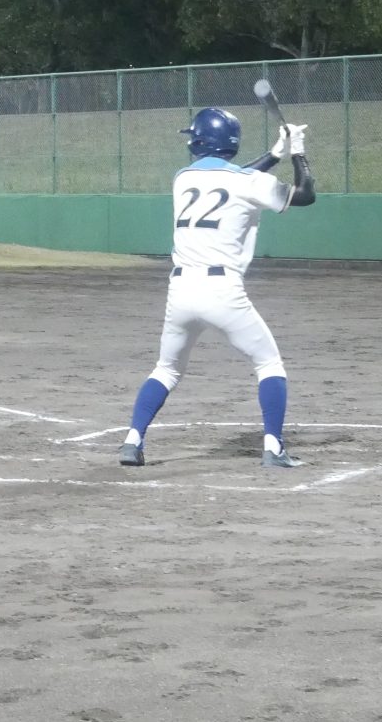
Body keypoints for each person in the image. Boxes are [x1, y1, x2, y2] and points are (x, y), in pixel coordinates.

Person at [119, 106, 317, 469]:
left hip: (180, 292)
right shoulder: (247, 183)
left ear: (200, 142)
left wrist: (275, 154)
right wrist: (297, 151)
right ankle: (273, 448)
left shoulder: (182, 178)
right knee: (268, 363)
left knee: (166, 369)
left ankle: (133, 441)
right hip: (222, 291)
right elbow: (305, 194)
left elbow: (232, 179)